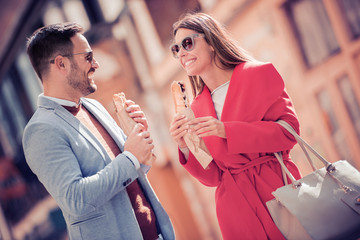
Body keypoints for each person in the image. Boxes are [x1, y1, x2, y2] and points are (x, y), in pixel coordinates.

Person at [23, 23, 175, 240]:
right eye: (88, 57)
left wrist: (138, 138)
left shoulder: (93, 106)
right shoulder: (41, 130)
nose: (96, 64)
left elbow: (132, 171)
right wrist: (131, 157)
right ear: (61, 64)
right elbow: (76, 200)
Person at [169, 12, 302, 240]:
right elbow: (213, 177)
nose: (182, 53)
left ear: (210, 42)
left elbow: (289, 133)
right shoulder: (197, 107)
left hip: (278, 190)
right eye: (176, 49)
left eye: (187, 43)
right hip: (235, 211)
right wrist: (183, 147)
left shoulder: (257, 74)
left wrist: (227, 131)